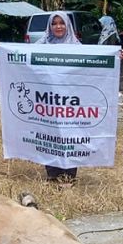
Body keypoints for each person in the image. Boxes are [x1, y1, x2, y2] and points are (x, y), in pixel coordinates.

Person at [34, 13, 83, 184]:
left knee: (69, 134)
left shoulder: (77, 46)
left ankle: (69, 175)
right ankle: (52, 174)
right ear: (49, 26)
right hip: (48, 100)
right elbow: (22, 57)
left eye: (62, 23)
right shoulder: (42, 45)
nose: (58, 26)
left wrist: (115, 56)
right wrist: (0, 50)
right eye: (54, 23)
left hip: (70, 100)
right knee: (50, 133)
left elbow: (95, 62)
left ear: (68, 25)